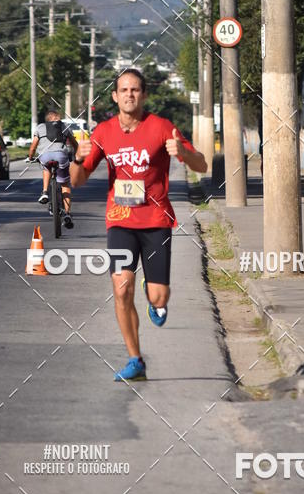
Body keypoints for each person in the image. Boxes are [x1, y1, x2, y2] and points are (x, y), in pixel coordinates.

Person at [71, 68, 207, 381]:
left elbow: (201, 163)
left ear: (143, 95)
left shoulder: (161, 127)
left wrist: (183, 152)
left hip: (156, 220)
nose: (129, 95)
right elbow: (78, 182)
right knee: (121, 290)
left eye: (135, 90)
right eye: (124, 90)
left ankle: (153, 292)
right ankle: (135, 359)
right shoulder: (103, 132)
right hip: (119, 221)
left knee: (158, 299)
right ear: (115, 96)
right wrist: (78, 159)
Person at [28, 111, 78, 229]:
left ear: (47, 119)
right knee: (65, 184)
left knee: (46, 168)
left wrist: (30, 157)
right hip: (61, 156)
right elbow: (74, 143)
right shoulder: (63, 126)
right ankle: (67, 213)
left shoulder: (40, 127)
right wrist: (76, 154)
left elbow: (33, 146)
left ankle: (45, 192)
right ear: (56, 118)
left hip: (45, 156)